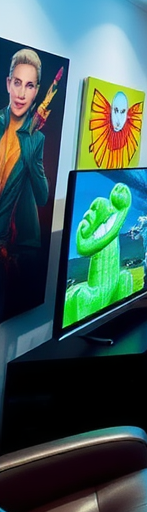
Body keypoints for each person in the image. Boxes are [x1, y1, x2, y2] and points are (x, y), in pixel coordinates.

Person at [0, 47, 50, 320]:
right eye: (17, 83)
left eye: (29, 86)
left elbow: (42, 197)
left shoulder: (36, 139)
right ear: (8, 83)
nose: (21, 93)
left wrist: (30, 156)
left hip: (11, 246)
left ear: (36, 92)